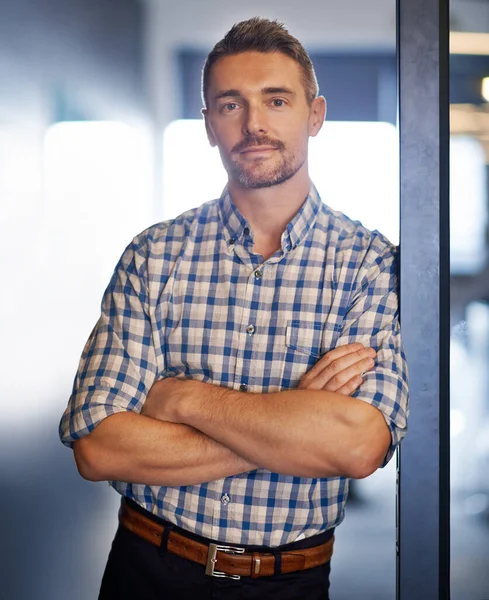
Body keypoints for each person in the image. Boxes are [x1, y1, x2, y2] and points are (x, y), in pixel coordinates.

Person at [59, 16, 408, 600]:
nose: (254, 124)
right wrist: (293, 426)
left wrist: (180, 399)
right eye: (230, 104)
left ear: (314, 115)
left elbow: (357, 446)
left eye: (276, 100)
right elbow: (99, 447)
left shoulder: (370, 265)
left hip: (288, 583)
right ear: (207, 125)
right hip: (147, 569)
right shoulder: (153, 256)